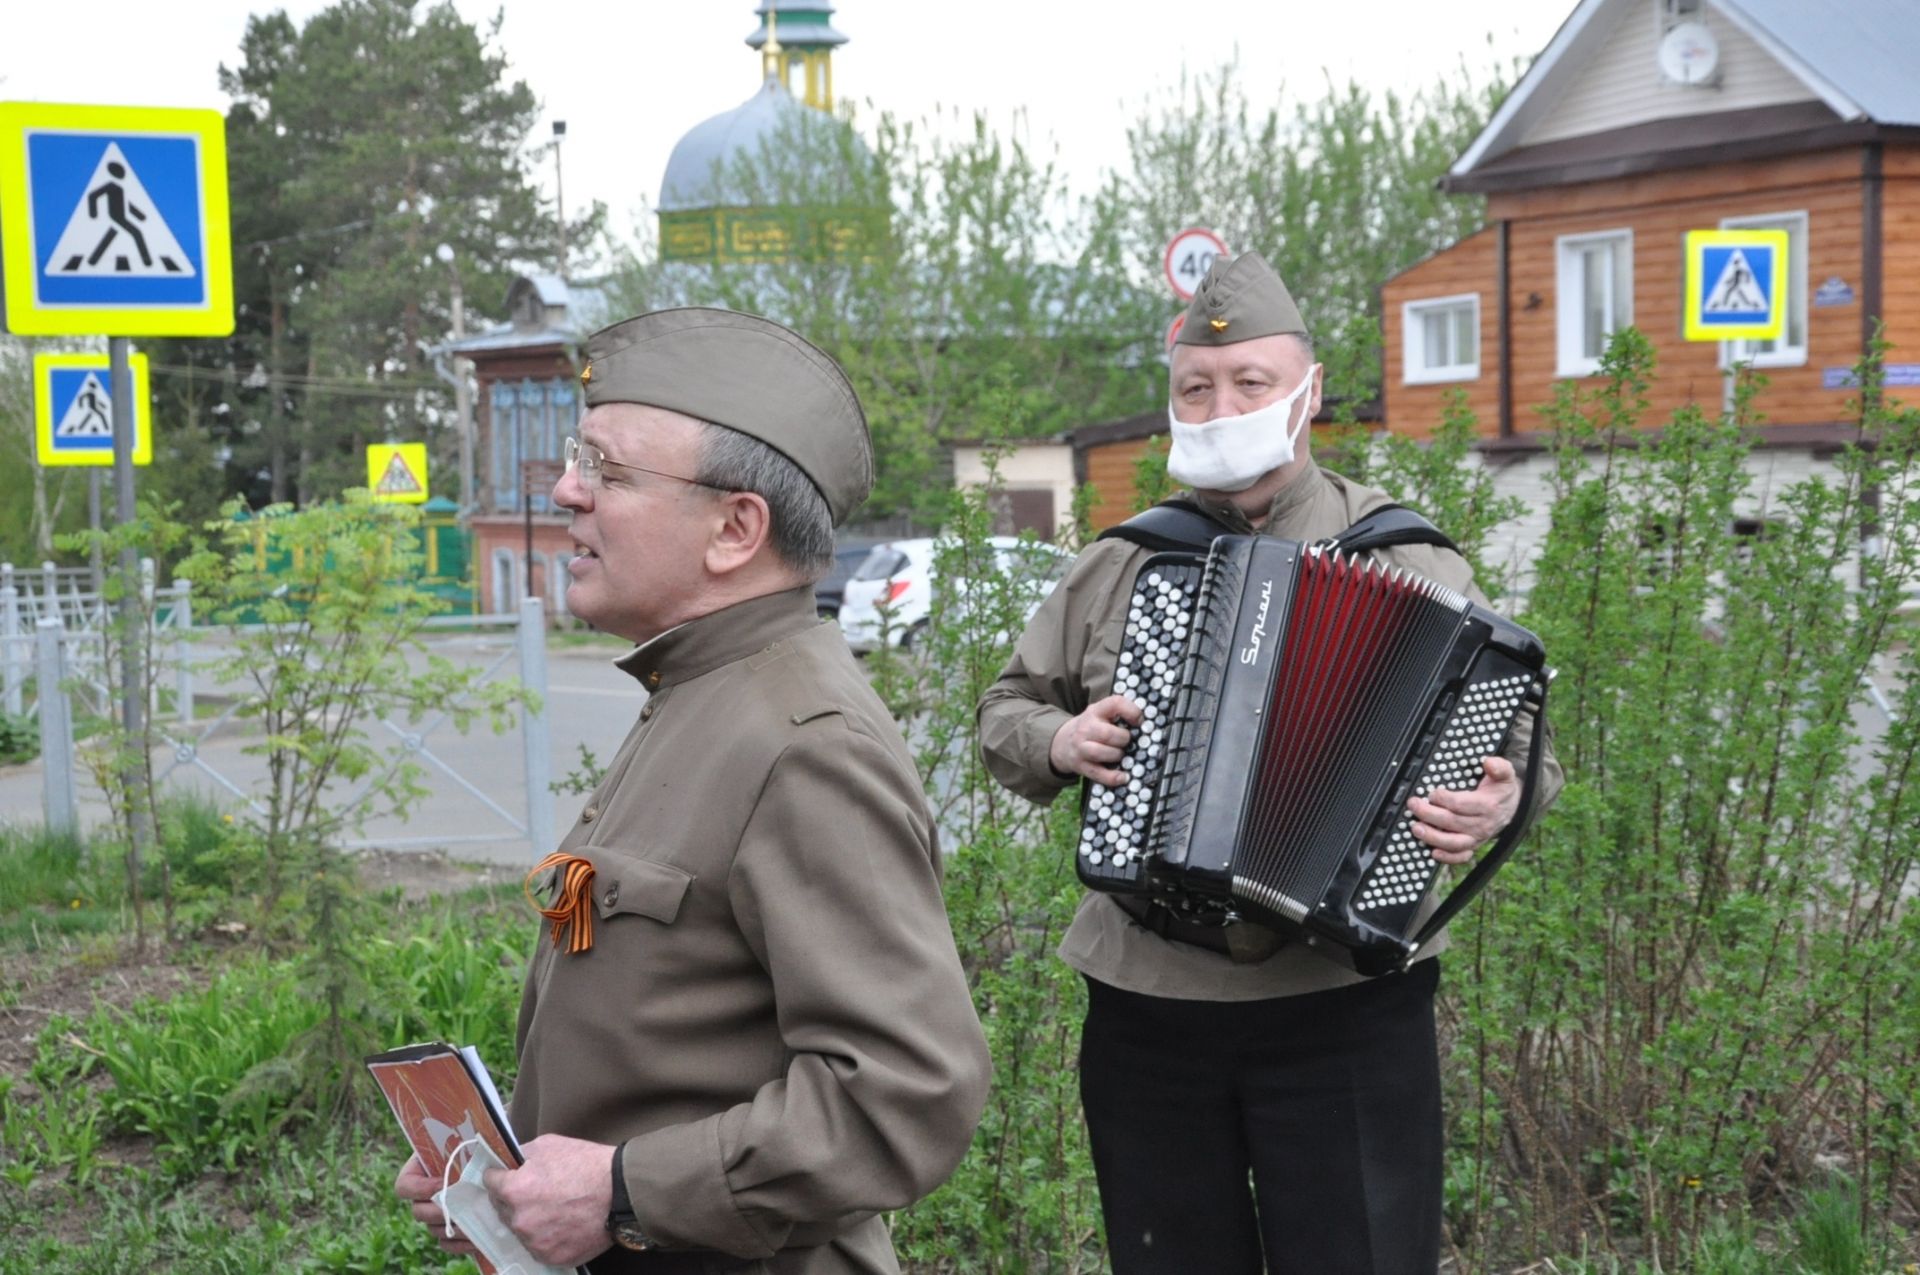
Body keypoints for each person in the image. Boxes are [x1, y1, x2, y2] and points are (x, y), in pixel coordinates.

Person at [977, 252, 1563, 1275]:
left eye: (1250, 382)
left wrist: (1497, 797)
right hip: (1149, 1001)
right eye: (1196, 387)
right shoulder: (1120, 560)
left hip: (1343, 1006)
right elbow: (1005, 710)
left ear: (1309, 392)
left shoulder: (1405, 559)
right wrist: (1059, 742)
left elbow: (1522, 756)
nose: (1221, 403)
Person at [397, 307, 992, 1274]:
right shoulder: (701, 690)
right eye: (574, 460)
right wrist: (511, 1183)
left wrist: (622, 1190)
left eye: (608, 471)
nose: (563, 491)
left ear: (734, 529)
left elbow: (906, 1091)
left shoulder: (804, 744)